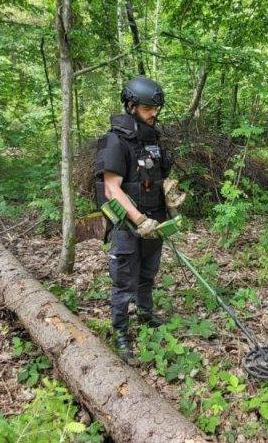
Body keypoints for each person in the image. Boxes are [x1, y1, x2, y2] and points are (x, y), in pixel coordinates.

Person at [93, 76, 187, 364]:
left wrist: (169, 198)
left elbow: (159, 177)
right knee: (124, 282)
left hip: (155, 222)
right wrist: (139, 220)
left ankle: (146, 314)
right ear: (131, 106)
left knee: (148, 274)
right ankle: (121, 332)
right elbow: (111, 188)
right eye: (148, 108)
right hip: (128, 226)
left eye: (156, 108)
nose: (154, 113)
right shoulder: (115, 141)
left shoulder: (153, 139)